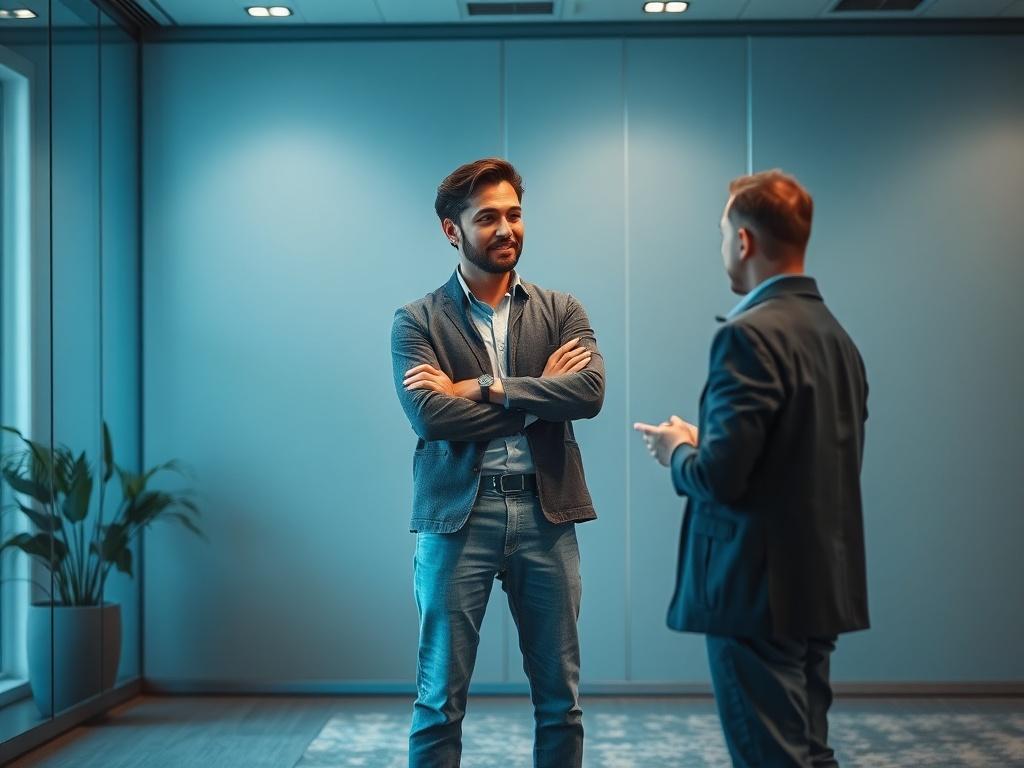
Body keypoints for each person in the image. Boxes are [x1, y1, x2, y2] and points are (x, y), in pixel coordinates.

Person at [634, 170, 869, 767]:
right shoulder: (836, 336)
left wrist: (676, 452)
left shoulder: (747, 336)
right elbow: (795, 459)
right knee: (811, 753)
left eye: (721, 234)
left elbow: (721, 478)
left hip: (757, 592)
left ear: (743, 241)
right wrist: (704, 438)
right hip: (818, 584)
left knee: (773, 758)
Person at [391, 157, 605, 768]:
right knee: (438, 701)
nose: (507, 228)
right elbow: (430, 417)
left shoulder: (562, 310)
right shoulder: (417, 320)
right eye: (488, 218)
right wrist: (539, 396)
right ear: (451, 230)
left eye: (514, 214)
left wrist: (480, 387)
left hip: (547, 513)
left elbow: (588, 393)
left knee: (560, 702)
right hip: (458, 519)